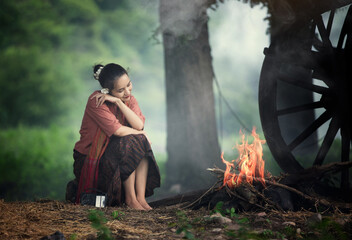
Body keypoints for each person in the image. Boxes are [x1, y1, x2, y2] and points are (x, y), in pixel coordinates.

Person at [66, 63, 160, 210]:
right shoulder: (96, 101)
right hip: (93, 159)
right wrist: (141, 134)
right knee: (133, 141)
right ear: (106, 91)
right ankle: (131, 200)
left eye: (128, 85)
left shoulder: (129, 100)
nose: (127, 92)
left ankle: (140, 199)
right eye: (120, 90)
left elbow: (138, 125)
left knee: (138, 140)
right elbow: (118, 131)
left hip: (115, 154)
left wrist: (118, 102)